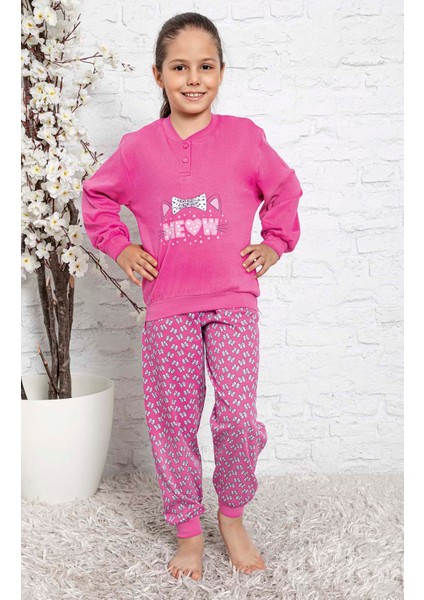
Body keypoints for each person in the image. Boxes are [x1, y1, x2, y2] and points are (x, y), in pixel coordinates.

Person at [81, 11, 303, 582]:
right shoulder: (138, 148)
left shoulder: (245, 138)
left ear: (222, 71)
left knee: (237, 419)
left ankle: (231, 516)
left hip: (233, 303)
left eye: (206, 66)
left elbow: (284, 189)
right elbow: (97, 197)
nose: (194, 78)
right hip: (169, 308)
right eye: (180, 67)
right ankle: (187, 530)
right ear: (158, 75)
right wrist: (122, 248)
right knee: (173, 423)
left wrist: (274, 243)